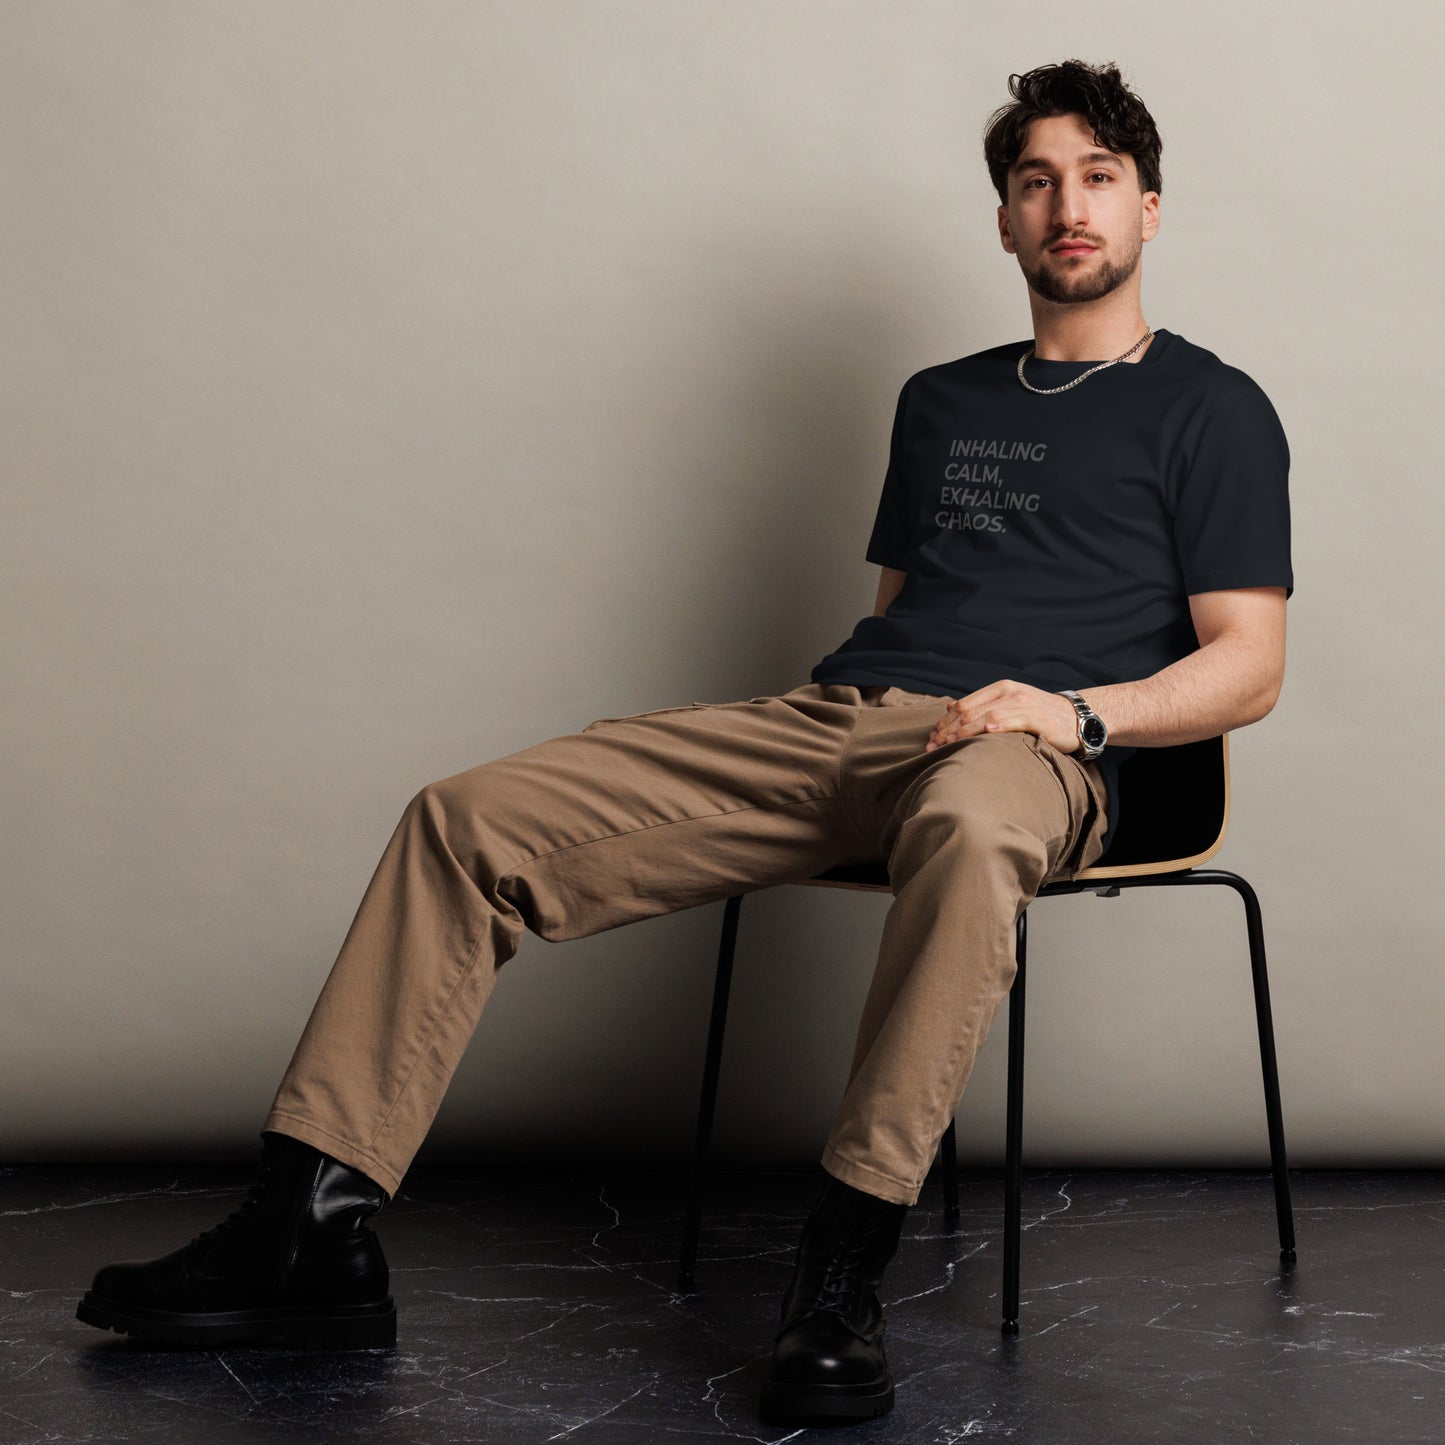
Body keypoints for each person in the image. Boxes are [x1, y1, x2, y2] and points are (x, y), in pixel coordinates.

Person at [74, 57, 1292, 1427]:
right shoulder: (938, 401)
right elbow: (897, 614)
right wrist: (845, 726)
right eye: (1033, 181)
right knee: (464, 817)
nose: (1065, 204)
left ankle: (838, 1272)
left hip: (1031, 750)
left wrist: (1071, 712)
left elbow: (1247, 663)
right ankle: (310, 1226)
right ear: (1003, 221)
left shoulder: (1211, 406)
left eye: (1096, 178)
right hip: (843, 723)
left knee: (964, 824)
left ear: (1147, 209)